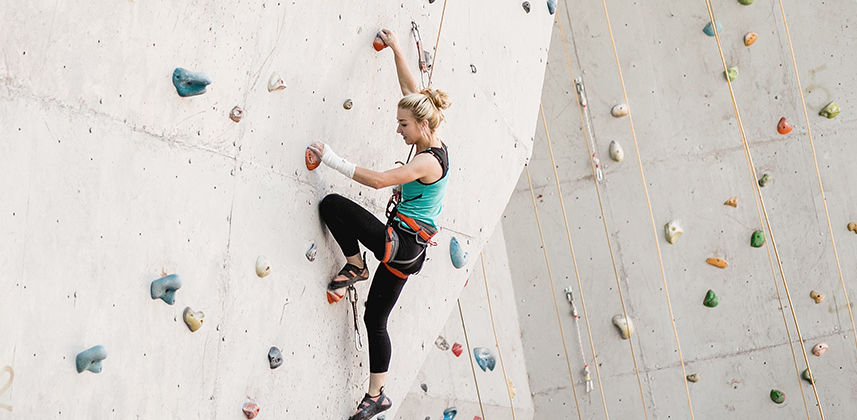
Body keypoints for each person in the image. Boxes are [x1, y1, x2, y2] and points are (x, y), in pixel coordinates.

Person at [307, 28, 451, 420]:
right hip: (408, 252)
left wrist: (332, 160)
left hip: (401, 244)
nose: (398, 129)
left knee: (334, 205)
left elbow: (380, 181)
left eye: (402, 125)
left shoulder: (426, 162)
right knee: (374, 317)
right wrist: (397, 49)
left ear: (420, 126)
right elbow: (411, 87)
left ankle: (356, 264)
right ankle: (378, 395)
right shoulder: (430, 131)